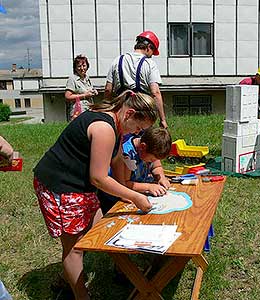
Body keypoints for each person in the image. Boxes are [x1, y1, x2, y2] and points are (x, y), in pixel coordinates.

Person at [33, 90, 157, 300]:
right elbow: (98, 178)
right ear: (130, 113)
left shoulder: (117, 124)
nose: (137, 133)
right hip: (60, 186)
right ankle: (81, 295)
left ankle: (69, 278)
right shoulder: (104, 128)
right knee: (75, 247)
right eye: (138, 128)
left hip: (80, 186)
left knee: (102, 230)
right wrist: (134, 196)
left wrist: (125, 190)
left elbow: (117, 160)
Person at [99, 126, 172, 214]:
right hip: (117, 198)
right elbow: (125, 184)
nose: (152, 162)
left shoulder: (150, 149)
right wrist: (149, 187)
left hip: (137, 194)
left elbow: (157, 167)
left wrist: (161, 178)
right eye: (151, 160)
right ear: (142, 147)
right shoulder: (127, 154)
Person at [105, 31, 168, 129]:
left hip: (121, 112)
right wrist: (162, 120)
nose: (151, 56)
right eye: (152, 51)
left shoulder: (117, 60)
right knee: (140, 142)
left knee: (120, 140)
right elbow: (155, 93)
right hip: (142, 114)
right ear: (148, 47)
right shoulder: (149, 64)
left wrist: (107, 109)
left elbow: (108, 89)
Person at [65, 55, 98, 121]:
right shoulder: (72, 79)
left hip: (89, 109)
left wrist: (94, 92)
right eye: (79, 66)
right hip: (78, 111)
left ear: (87, 67)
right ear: (75, 68)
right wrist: (85, 95)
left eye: (84, 66)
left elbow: (88, 91)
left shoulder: (87, 78)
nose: (82, 68)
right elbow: (68, 96)